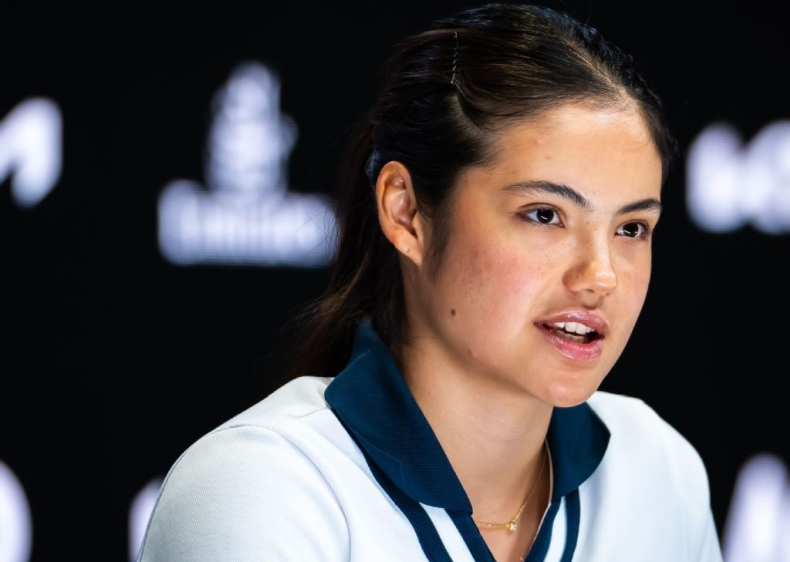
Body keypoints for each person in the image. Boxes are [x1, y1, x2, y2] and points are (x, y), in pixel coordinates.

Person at [137, 3, 724, 561]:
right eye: (545, 214)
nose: (600, 275)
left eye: (632, 227)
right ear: (406, 212)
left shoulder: (658, 469)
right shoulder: (264, 490)